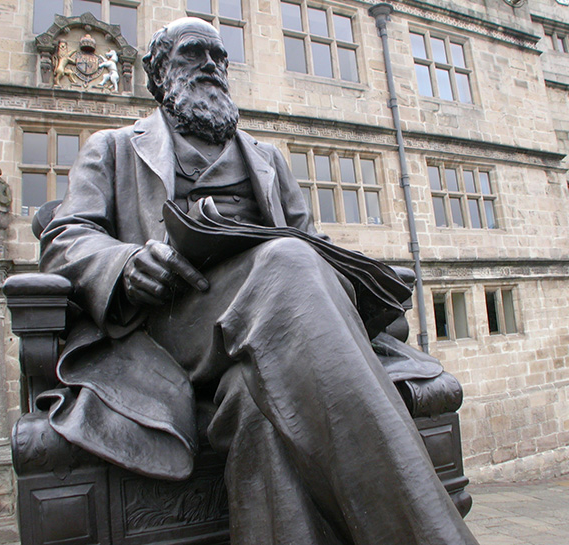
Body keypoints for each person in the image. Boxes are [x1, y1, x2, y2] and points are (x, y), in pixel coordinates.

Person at [39, 17, 480, 545]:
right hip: (172, 327)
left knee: (259, 405)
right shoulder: (110, 148)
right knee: (287, 262)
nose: (210, 65)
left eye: (219, 57)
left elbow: (315, 245)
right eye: (191, 54)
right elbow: (65, 236)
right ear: (158, 77)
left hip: (273, 330)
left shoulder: (267, 158)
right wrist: (126, 264)